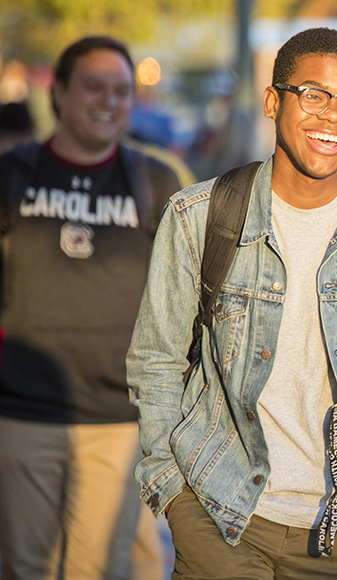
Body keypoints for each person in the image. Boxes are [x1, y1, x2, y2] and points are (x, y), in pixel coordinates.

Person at [126, 27, 337, 577]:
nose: (334, 117)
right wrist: (174, 497)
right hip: (220, 518)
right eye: (315, 95)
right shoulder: (198, 217)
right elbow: (155, 362)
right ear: (274, 102)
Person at [0, 36, 183, 579]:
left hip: (118, 419)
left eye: (122, 90)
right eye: (94, 87)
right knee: (22, 567)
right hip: (21, 412)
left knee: (98, 570)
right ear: (58, 91)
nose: (109, 101)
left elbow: (179, 300)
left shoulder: (154, 181)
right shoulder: (11, 175)